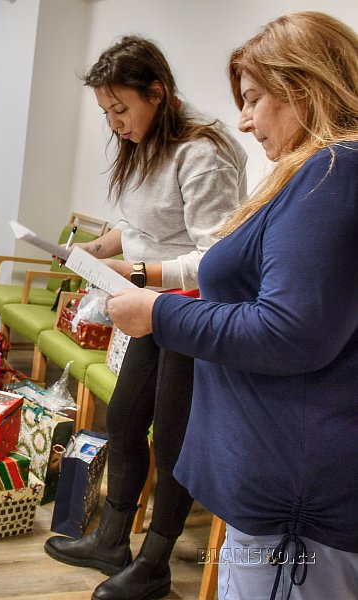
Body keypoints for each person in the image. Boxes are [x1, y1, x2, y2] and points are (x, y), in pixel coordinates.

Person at [106, 12, 358, 600]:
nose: (243, 121)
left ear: (305, 86)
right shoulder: (314, 174)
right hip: (277, 483)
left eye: (253, 99)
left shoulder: (332, 173)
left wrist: (159, 313)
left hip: (293, 501)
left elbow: (289, 330)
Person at [43, 36, 249, 600]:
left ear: (157, 94)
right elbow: (139, 227)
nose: (114, 123)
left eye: (120, 109)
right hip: (152, 305)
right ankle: (112, 540)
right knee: (126, 420)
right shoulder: (143, 141)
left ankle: (155, 562)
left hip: (192, 311)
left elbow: (216, 257)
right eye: (106, 113)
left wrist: (139, 276)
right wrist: (91, 250)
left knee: (173, 439)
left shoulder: (202, 153)